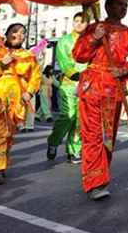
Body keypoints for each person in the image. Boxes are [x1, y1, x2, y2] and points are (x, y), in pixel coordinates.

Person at [71, 0, 128, 200]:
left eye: (126, 5)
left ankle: (102, 177)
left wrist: (124, 70)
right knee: (92, 136)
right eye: (119, 4)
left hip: (114, 90)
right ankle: (95, 182)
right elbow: (78, 55)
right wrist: (94, 38)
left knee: (107, 137)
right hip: (92, 87)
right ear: (108, 7)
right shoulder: (93, 28)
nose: (123, 8)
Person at [0, 24, 41, 184]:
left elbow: (35, 77)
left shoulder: (28, 56)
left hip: (17, 100)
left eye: (22, 33)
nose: (18, 35)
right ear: (6, 34)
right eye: (14, 31)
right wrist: (1, 64)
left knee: (9, 134)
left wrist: (30, 92)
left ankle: (2, 164)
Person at [47, 13, 87, 164]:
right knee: (68, 115)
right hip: (70, 84)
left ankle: (74, 150)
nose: (78, 24)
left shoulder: (91, 41)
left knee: (80, 119)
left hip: (86, 84)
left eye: (82, 21)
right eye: (76, 21)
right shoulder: (64, 41)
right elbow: (63, 59)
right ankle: (54, 140)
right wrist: (73, 73)